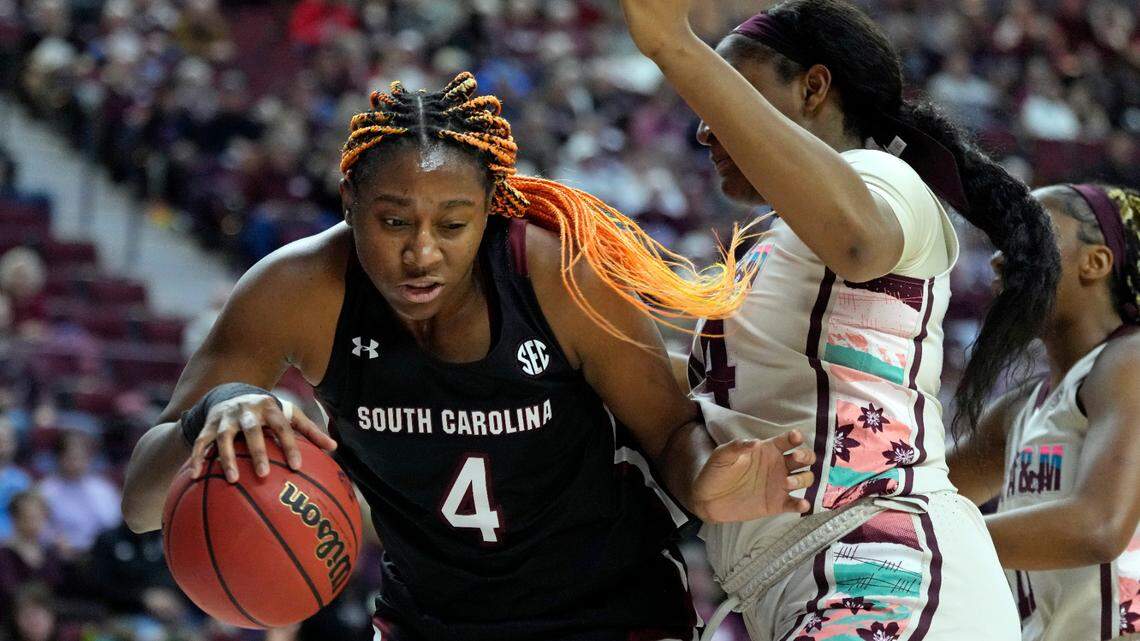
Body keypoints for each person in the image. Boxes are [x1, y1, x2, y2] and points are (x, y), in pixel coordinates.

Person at [120, 72, 817, 641]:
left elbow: (669, 433)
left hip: (609, 611)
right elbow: (141, 503)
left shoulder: (559, 274)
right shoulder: (297, 289)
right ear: (349, 201)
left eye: (452, 224)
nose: (422, 252)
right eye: (393, 221)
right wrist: (209, 413)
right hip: (427, 620)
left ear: (491, 205)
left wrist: (703, 484)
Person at [617, 0, 1059, 639]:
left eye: (726, 95)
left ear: (813, 87)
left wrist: (673, 46)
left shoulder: (884, 175)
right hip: (795, 579)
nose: (705, 129)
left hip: (880, 563)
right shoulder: (770, 243)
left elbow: (859, 241)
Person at [949, 184, 1140, 641]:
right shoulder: (1021, 408)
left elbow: (1099, 526)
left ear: (1094, 263)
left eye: (1030, 235)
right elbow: (922, 495)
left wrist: (935, 543)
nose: (998, 257)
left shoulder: (1129, 360)